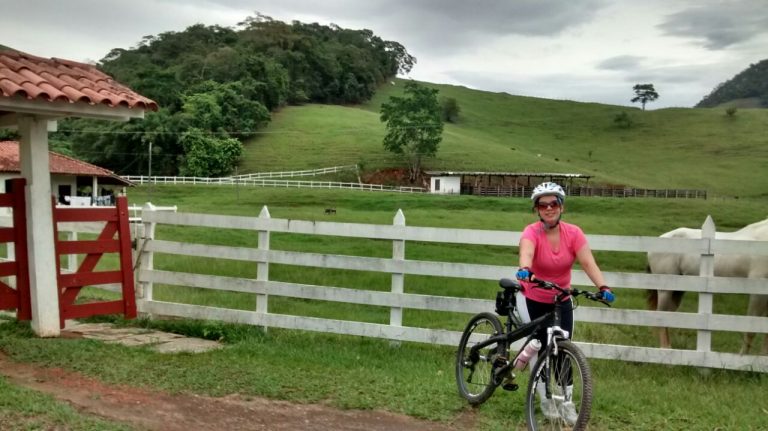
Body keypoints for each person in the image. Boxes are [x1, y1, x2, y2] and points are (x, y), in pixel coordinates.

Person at [510, 181, 615, 423]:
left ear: (561, 207)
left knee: (562, 349)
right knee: (539, 345)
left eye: (554, 203)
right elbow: (526, 251)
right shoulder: (531, 232)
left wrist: (603, 286)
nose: (549, 208)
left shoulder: (574, 233)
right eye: (543, 205)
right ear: (537, 209)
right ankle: (544, 398)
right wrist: (525, 268)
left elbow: (588, 262)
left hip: (561, 298)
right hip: (533, 296)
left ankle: (567, 401)